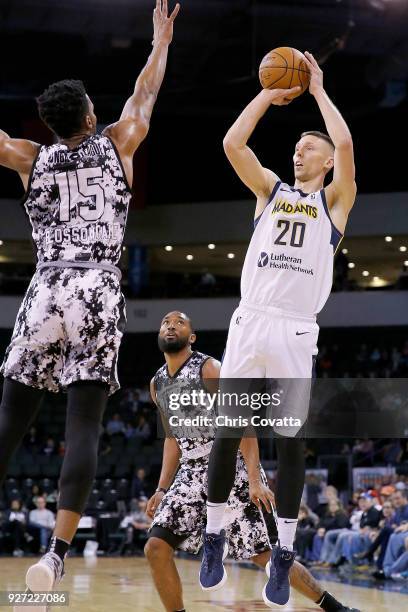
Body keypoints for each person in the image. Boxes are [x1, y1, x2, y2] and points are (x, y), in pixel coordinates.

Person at [0, 0, 179, 603]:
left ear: (51, 123)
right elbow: (144, 93)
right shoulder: (118, 142)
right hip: (97, 288)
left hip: (46, 287)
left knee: (8, 424)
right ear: (91, 113)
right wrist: (159, 43)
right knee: (84, 426)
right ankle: (55, 555)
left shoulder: (32, 157)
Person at [200, 51, 356, 607]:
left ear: (326, 162)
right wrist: (268, 95)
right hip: (251, 320)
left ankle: (284, 550)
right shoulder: (271, 192)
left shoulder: (332, 201)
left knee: (292, 445)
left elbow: (346, 146)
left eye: (307, 147)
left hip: (294, 330)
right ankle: (215, 533)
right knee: (226, 433)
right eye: (295, 147)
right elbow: (232, 145)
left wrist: (316, 88)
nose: (298, 152)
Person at [145, 311, 359, 612]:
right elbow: (171, 437)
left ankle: (334, 607)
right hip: (190, 473)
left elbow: (241, 423)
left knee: (265, 556)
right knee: (155, 546)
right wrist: (162, 488)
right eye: (165, 322)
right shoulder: (157, 383)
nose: (171, 325)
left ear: (191, 337)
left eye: (179, 322)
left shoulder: (210, 369)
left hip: (230, 465)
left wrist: (256, 479)